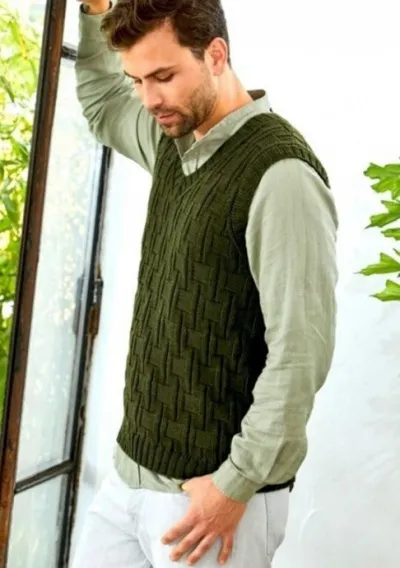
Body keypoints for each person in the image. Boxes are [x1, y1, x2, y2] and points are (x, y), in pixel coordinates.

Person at [72, 0, 338, 566]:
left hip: (212, 501)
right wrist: (94, 12)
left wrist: (233, 485)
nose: (149, 99)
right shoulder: (172, 140)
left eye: (164, 76)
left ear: (216, 55)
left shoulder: (281, 174)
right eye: (138, 80)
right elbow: (103, 106)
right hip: (129, 478)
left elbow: (301, 354)